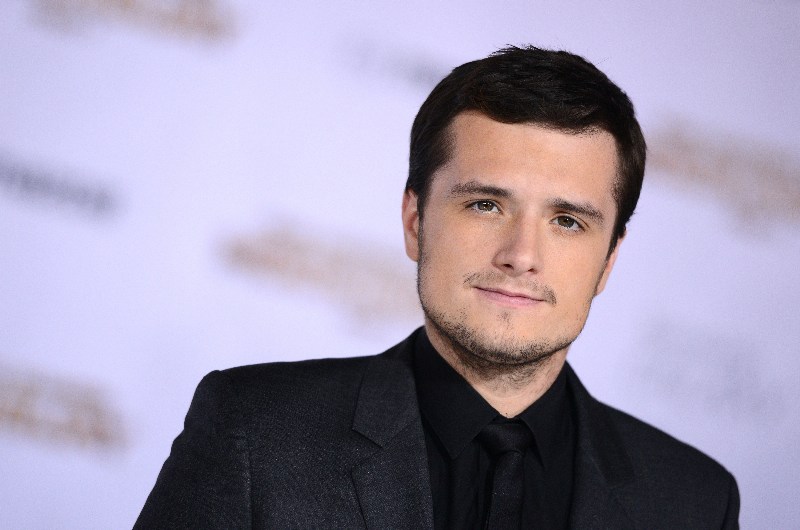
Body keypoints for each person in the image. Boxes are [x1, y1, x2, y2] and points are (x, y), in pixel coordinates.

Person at [135, 46, 739, 529]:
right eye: (485, 205)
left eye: (567, 221)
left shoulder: (693, 500)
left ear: (609, 260)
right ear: (415, 222)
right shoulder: (255, 432)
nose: (521, 256)